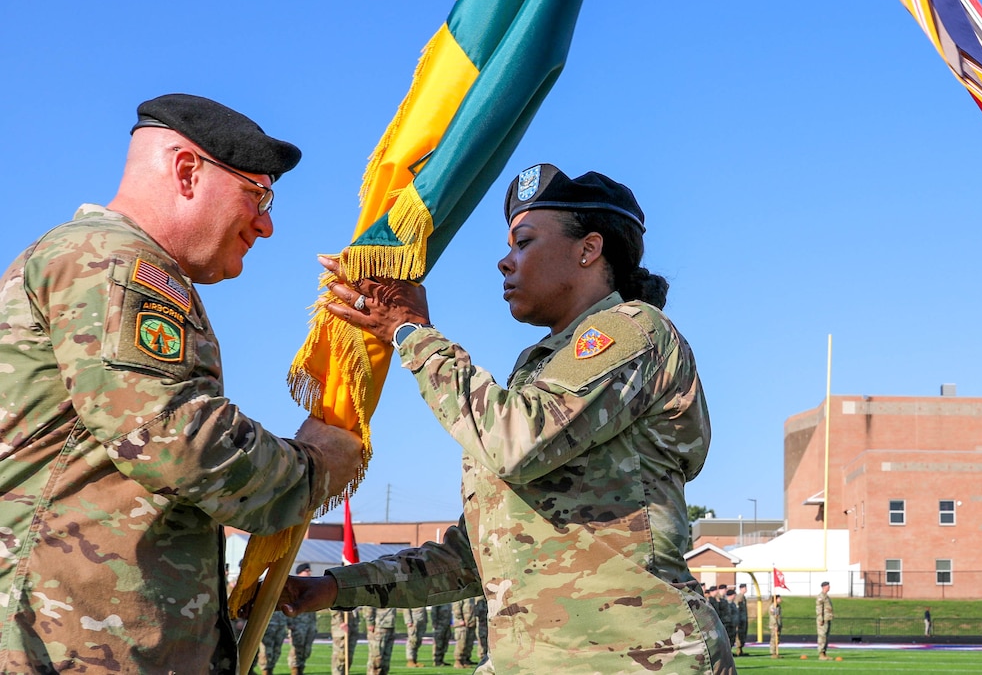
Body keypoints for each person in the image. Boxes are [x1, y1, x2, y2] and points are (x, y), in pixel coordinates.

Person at [276, 163, 736, 674]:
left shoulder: (632, 330)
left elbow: (516, 441)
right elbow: (478, 555)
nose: (504, 261)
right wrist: (332, 587)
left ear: (588, 249)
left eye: (524, 242)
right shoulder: (541, 368)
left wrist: (411, 334)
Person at [0, 94, 364, 674]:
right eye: (258, 195)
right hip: (74, 648)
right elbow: (177, 442)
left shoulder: (109, 263)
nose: (266, 225)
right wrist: (317, 466)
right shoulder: (114, 261)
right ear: (188, 171)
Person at [363, 605, 398, 675]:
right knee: (376, 659)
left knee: (386, 660)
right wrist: (370, 622)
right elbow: (369, 605)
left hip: (390, 625)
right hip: (379, 626)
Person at [331, 607, 360, 675]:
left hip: (353, 624)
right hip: (341, 627)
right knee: (340, 656)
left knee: (348, 657)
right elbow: (333, 607)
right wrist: (340, 622)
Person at [452, 596, 479, 668]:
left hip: (470, 623)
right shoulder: (461, 595)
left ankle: (465, 660)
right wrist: (460, 619)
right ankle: (458, 661)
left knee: (469, 643)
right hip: (462, 624)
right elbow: (456, 607)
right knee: (461, 643)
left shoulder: (472, 597)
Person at [432, 602, 454, 667]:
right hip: (439, 625)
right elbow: (433, 613)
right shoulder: (437, 601)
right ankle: (437, 660)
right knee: (439, 643)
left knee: (445, 642)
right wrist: (435, 623)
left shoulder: (448, 602)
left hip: (446, 625)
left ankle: (441, 659)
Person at [816, 581, 834, 660]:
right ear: (824, 587)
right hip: (823, 619)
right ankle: (821, 654)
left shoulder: (826, 596)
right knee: (822, 636)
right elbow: (819, 609)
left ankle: (824, 653)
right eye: (828, 586)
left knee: (826, 637)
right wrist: (821, 619)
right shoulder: (821, 596)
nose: (829, 587)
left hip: (827, 619)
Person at [721, 589, 739, 654]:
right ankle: (726, 652)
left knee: (732, 639)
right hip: (728, 624)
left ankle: (729, 652)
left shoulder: (733, 603)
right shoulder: (726, 603)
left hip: (733, 624)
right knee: (728, 639)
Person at [735, 583, 749, 656]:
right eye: (745, 588)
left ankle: (741, 650)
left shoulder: (743, 597)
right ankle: (738, 649)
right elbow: (737, 607)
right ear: (741, 589)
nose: (746, 589)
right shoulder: (739, 597)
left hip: (743, 618)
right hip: (740, 619)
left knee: (743, 634)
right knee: (739, 634)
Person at [768, 594, 782, 659]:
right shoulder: (772, 607)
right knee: (774, 639)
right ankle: (773, 652)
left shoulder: (778, 606)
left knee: (777, 639)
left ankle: (776, 652)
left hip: (778, 624)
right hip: (774, 625)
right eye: (779, 598)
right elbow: (773, 617)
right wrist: (775, 625)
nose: (780, 599)